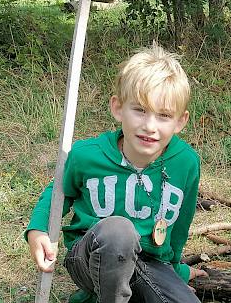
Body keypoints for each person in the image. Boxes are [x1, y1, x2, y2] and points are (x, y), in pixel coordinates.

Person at [24, 44, 205, 303]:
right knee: (118, 232)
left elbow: (179, 228)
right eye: (140, 110)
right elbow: (57, 193)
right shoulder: (88, 154)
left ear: (180, 121)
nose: (149, 126)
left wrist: (176, 272)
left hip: (149, 262)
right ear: (118, 107)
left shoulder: (185, 163)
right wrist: (38, 230)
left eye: (164, 115)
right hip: (91, 255)